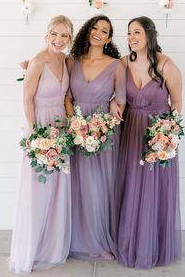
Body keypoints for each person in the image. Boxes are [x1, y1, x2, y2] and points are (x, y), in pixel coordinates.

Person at [115, 16, 182, 269]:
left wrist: (168, 136)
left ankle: (154, 245)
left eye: (137, 32)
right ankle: (130, 241)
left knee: (155, 189)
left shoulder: (167, 66)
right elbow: (112, 89)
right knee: (132, 186)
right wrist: (113, 101)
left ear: (149, 35)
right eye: (129, 33)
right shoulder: (123, 63)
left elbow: (176, 104)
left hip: (158, 134)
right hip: (131, 131)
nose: (131, 37)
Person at [9, 15, 73, 274]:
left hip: (61, 127)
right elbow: (26, 99)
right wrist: (35, 135)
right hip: (40, 127)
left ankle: (52, 248)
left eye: (64, 36)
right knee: (37, 189)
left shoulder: (66, 61)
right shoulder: (37, 62)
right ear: (47, 35)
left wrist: (70, 126)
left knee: (58, 188)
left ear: (70, 38)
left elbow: (68, 94)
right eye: (54, 34)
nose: (58, 40)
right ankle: (32, 249)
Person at [65, 15, 126, 261]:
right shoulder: (73, 61)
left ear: (109, 38)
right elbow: (66, 96)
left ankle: (101, 238)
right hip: (77, 128)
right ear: (87, 31)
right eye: (95, 27)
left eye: (104, 30)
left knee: (102, 185)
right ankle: (79, 238)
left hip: (104, 131)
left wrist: (104, 121)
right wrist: (76, 124)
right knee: (79, 185)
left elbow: (121, 99)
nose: (98, 32)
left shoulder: (116, 64)